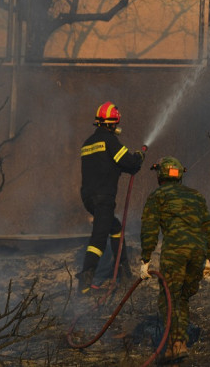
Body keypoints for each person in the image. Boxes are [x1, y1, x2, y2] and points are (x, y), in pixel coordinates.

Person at [139, 156, 210, 362]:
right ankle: (180, 342)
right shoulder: (196, 196)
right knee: (182, 298)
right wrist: (207, 258)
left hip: (175, 253)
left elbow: (149, 228)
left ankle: (176, 343)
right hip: (197, 253)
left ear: (160, 175)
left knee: (169, 299)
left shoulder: (158, 196)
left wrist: (145, 259)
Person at [76, 102, 145, 294]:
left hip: (89, 198)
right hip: (103, 198)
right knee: (99, 237)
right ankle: (85, 281)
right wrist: (139, 157)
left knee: (115, 228)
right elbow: (129, 162)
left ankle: (123, 271)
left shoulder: (88, 143)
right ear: (112, 123)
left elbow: (108, 164)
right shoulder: (110, 140)